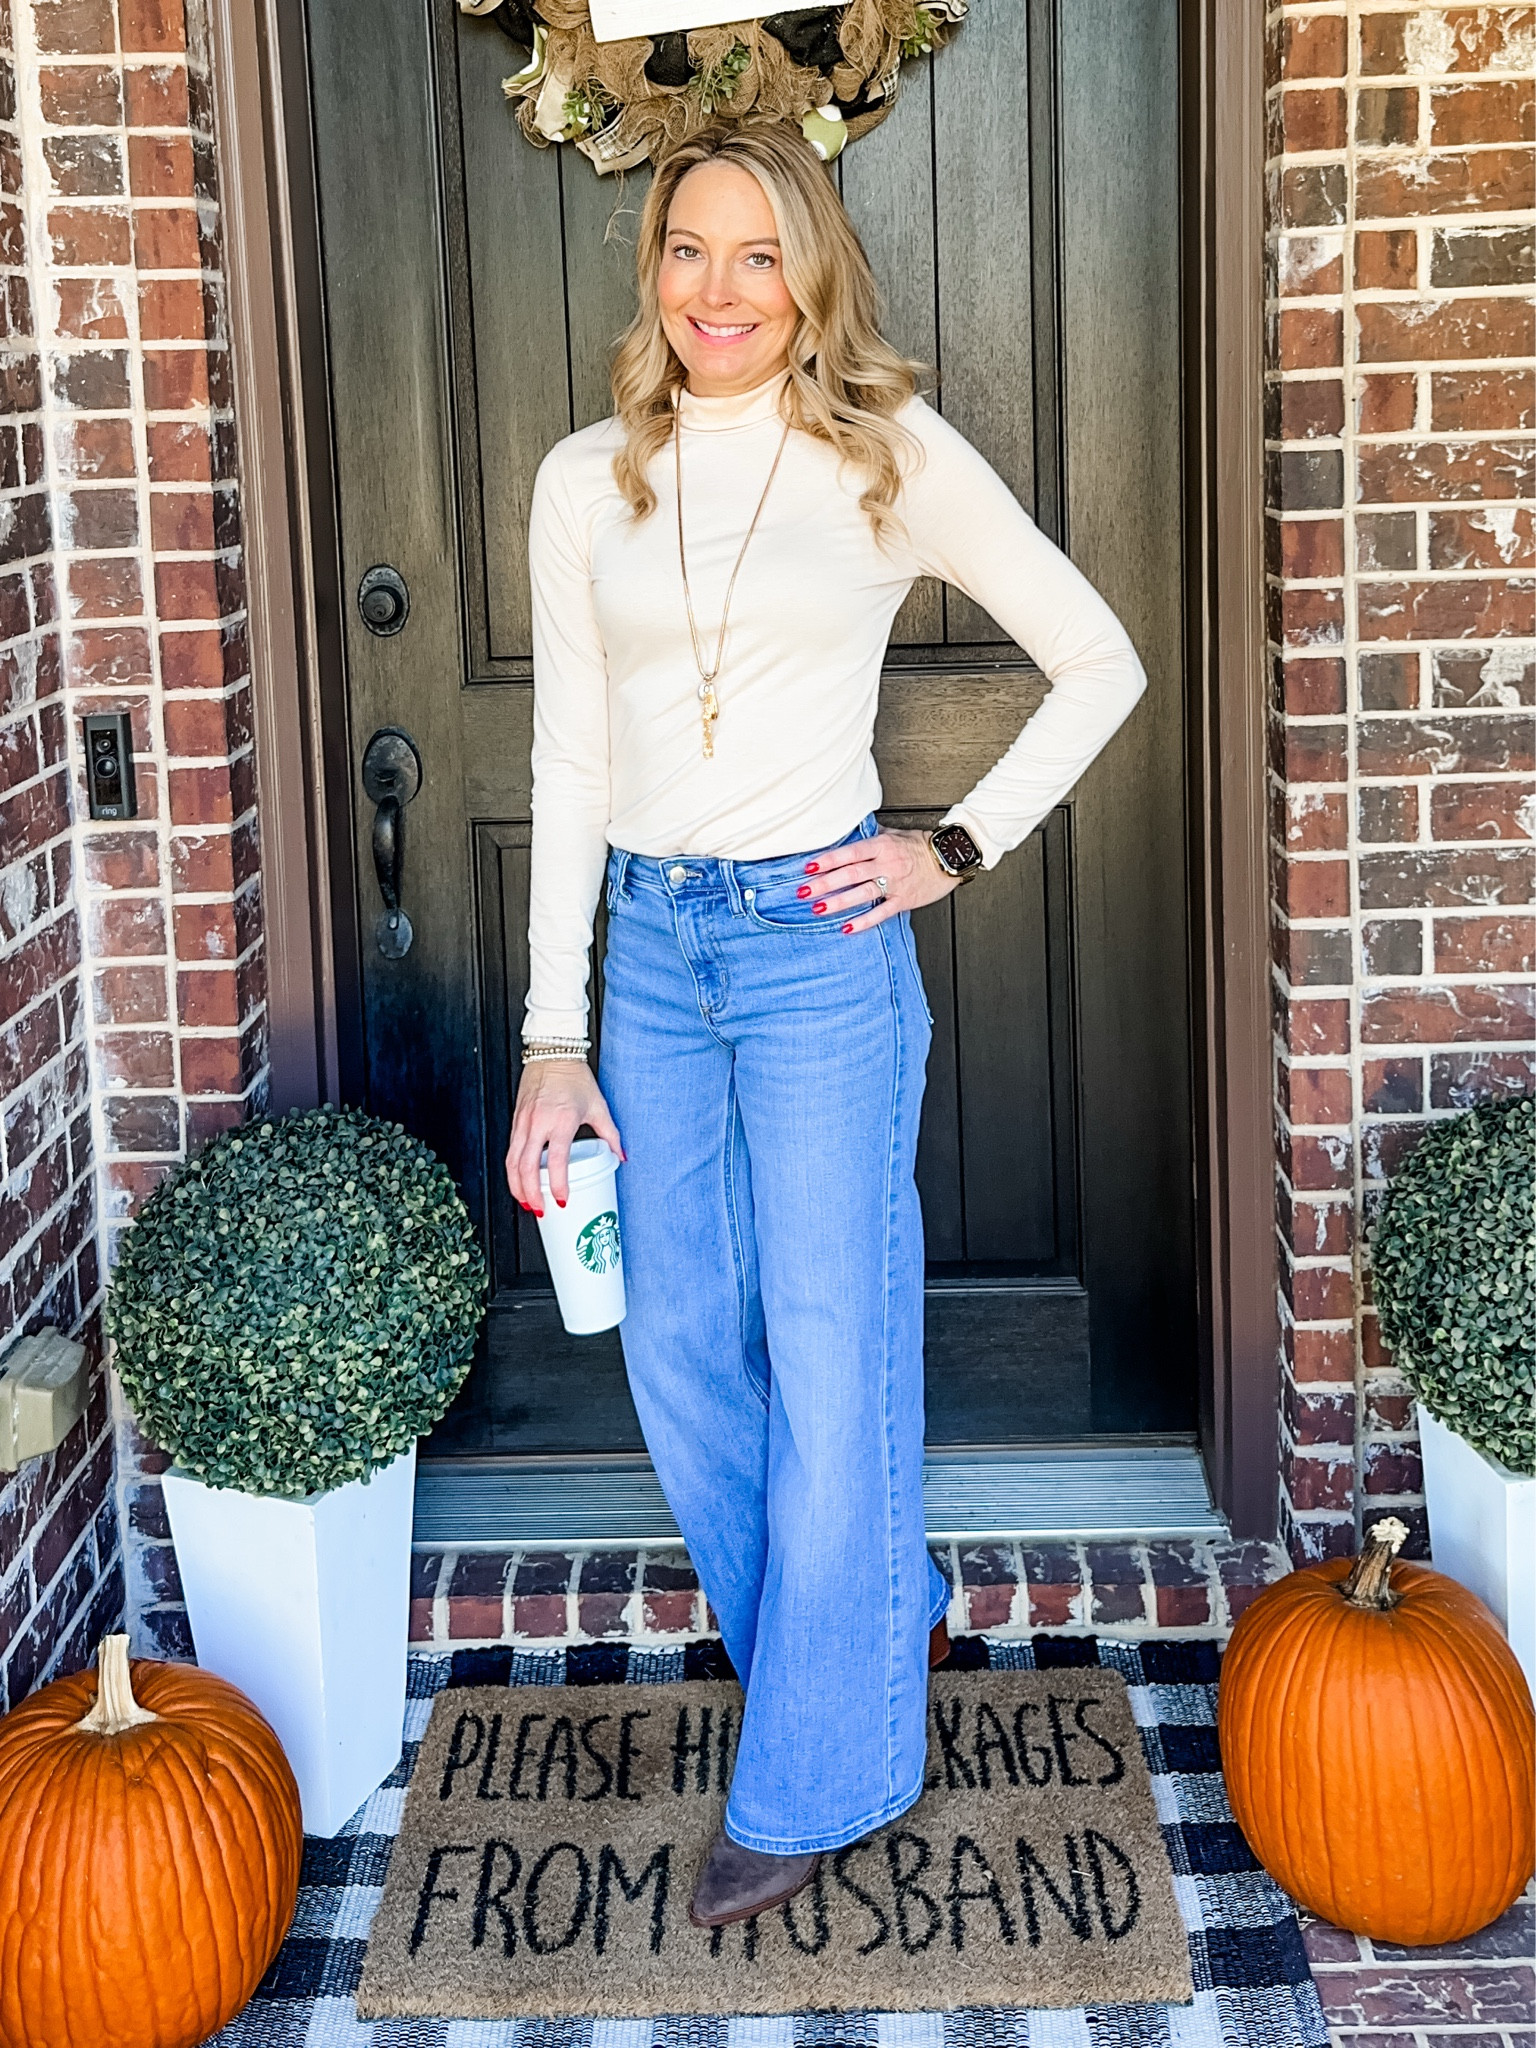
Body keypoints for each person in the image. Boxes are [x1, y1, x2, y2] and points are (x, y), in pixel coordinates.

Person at [505, 117, 1146, 1929]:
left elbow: (1101, 657)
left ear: (813, 273)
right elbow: (567, 763)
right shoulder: (587, 483)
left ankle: (817, 1772)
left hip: (810, 948)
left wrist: (951, 845)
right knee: (682, 1339)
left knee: (834, 1338)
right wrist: (557, 1033)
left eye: (759, 255)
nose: (722, 290)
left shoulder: (885, 457)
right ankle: (872, 1623)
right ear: (656, 271)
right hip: (651, 953)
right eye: (690, 252)